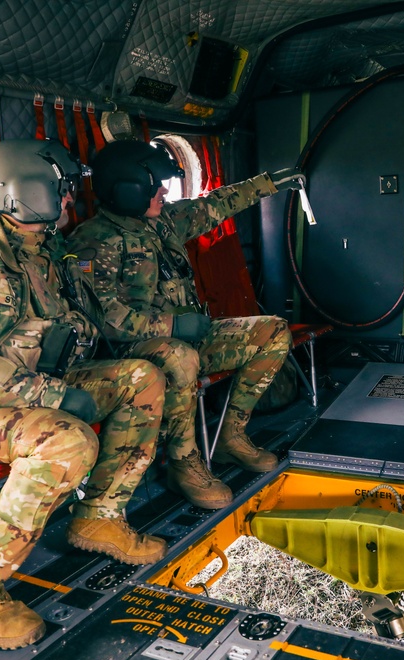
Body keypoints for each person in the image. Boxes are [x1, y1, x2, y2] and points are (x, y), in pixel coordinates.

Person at [0, 139, 169, 650]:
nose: (70, 202)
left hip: (23, 395)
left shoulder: (44, 255)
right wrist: (52, 395)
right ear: (24, 193)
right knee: (66, 440)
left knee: (142, 377)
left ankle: (100, 515)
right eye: (61, 192)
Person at [67, 140, 300, 509]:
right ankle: (183, 462)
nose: (164, 191)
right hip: (137, 353)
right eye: (154, 185)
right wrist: (171, 328)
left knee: (272, 330)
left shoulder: (162, 223)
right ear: (127, 190)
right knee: (178, 356)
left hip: (188, 340)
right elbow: (103, 319)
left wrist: (272, 183)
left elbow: (217, 204)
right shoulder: (93, 243)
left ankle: (230, 437)